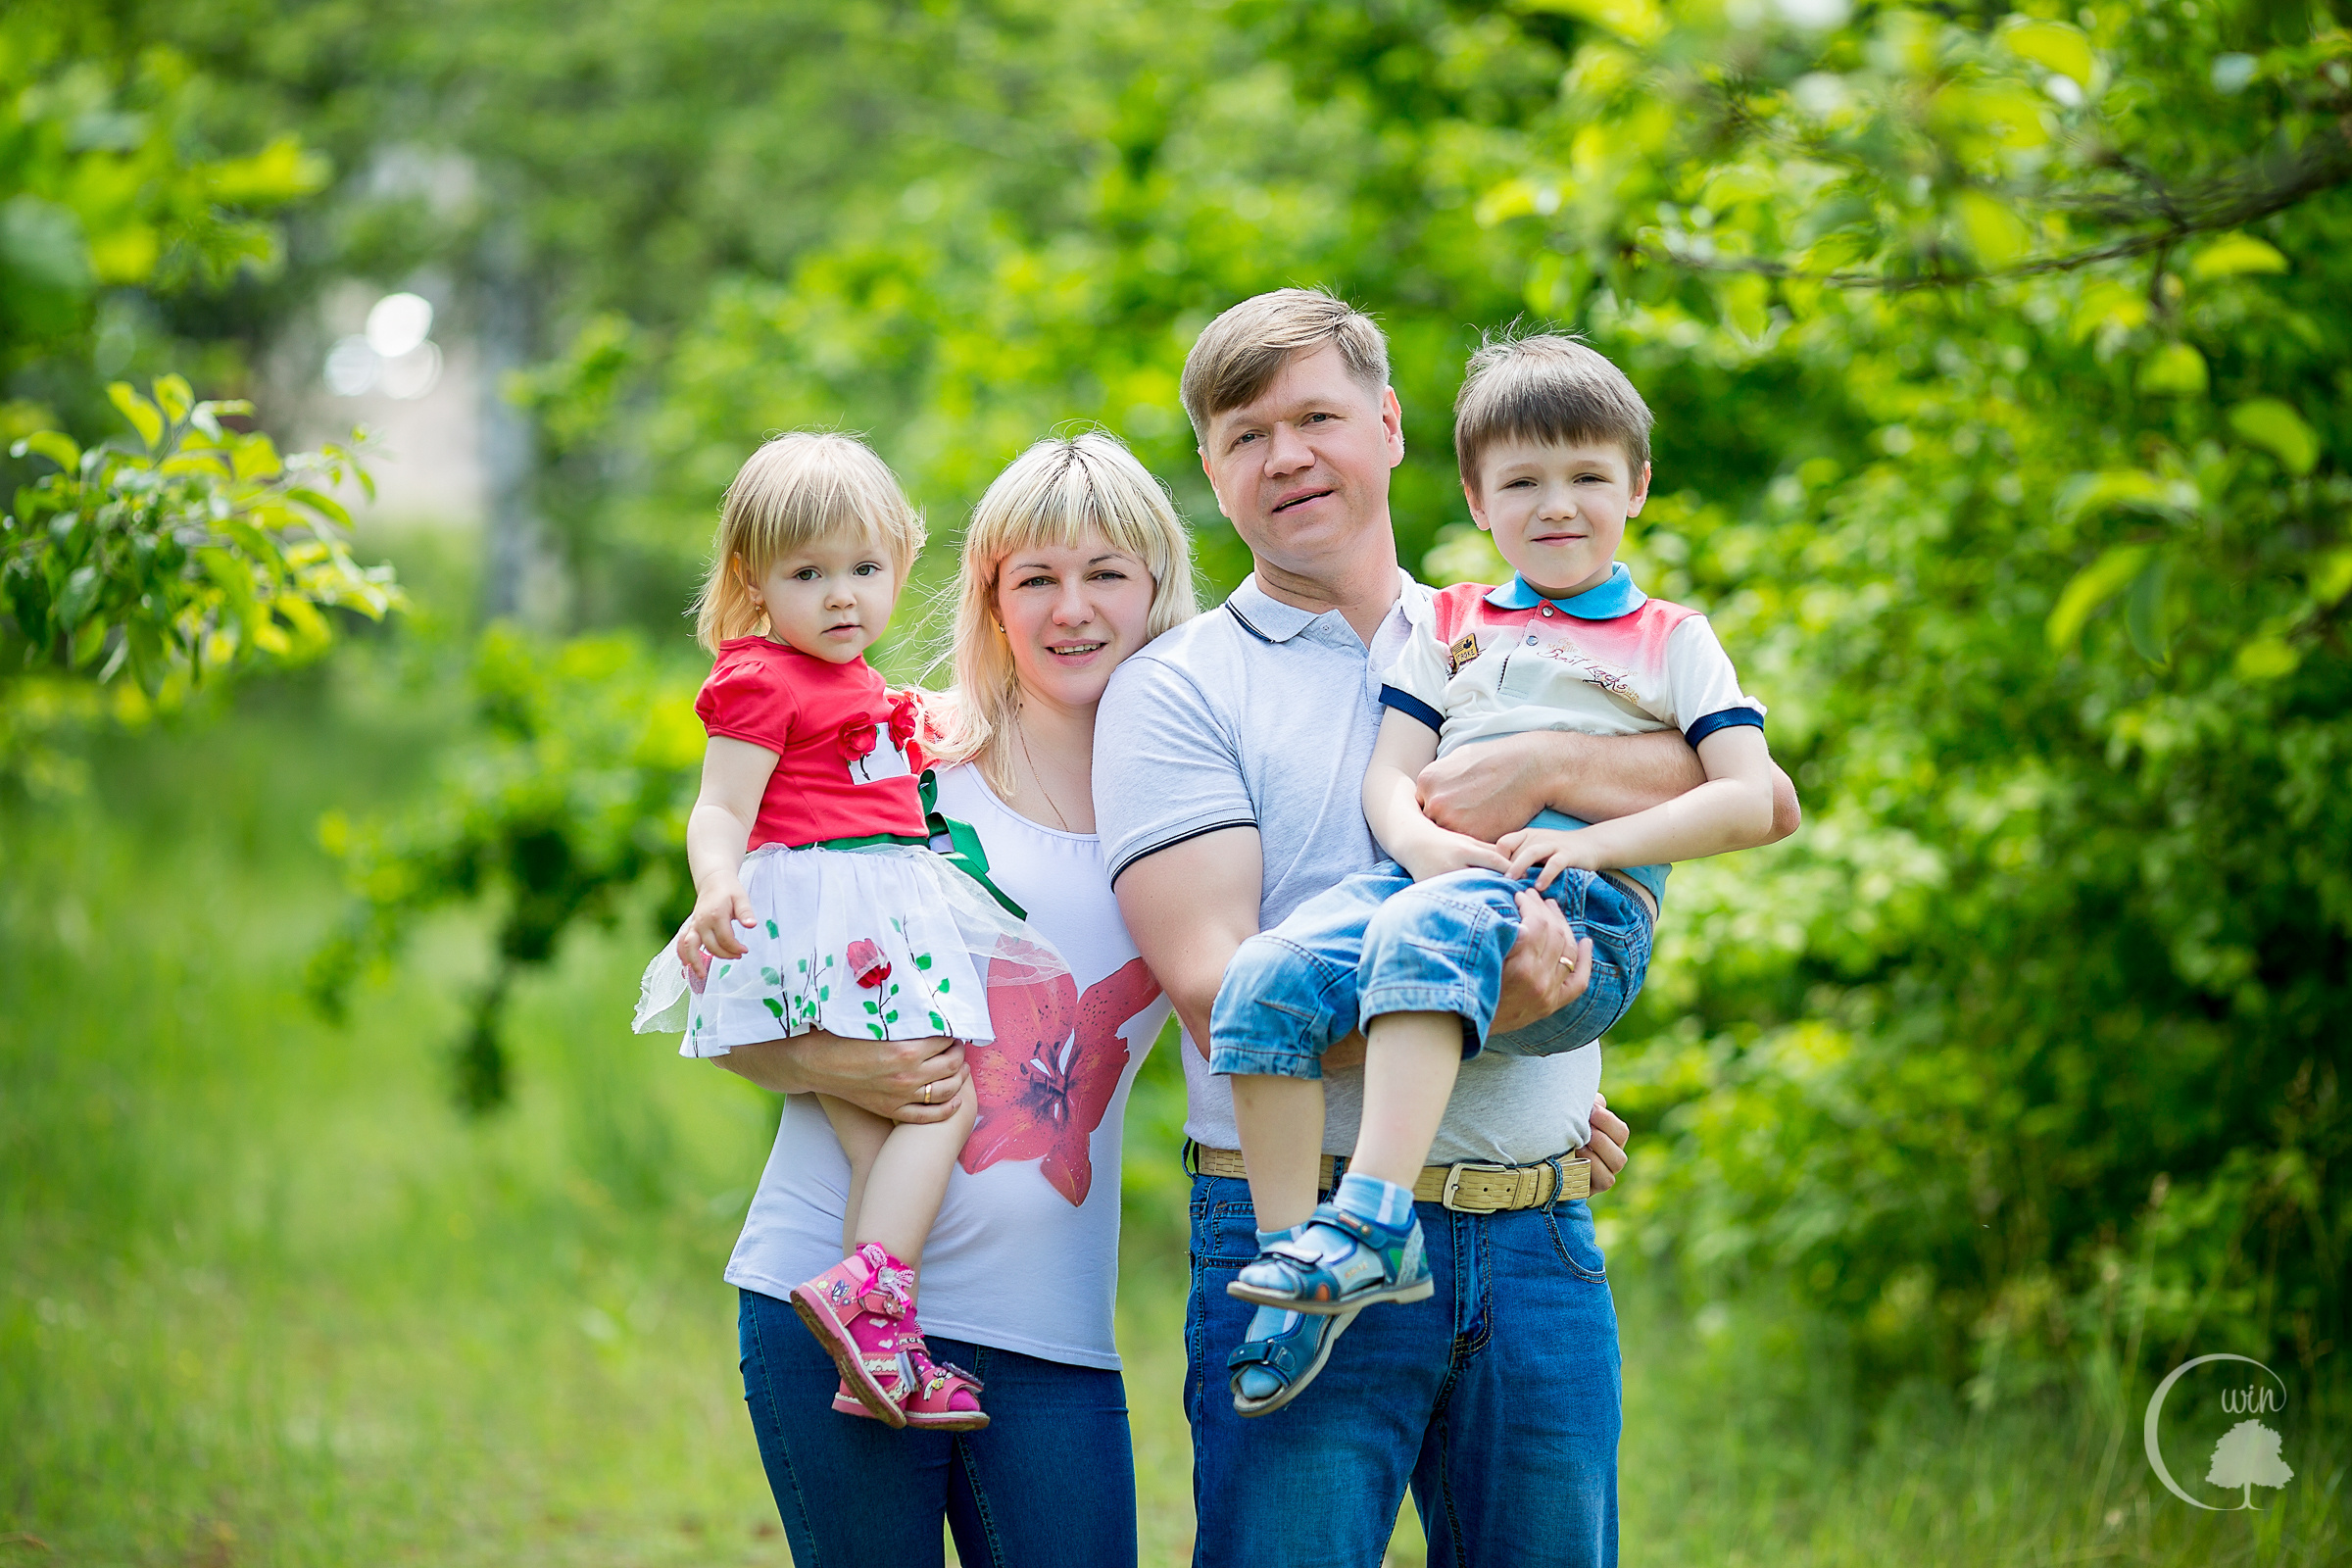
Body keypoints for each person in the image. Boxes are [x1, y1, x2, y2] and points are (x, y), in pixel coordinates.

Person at [1097, 289, 1799, 1567]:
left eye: (1318, 415)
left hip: (1536, 1233)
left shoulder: (1508, 629)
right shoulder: (1178, 689)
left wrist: (1540, 764)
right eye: (1247, 434)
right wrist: (1499, 1019)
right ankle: (1336, 1258)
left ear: (1393, 425)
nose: (1289, 454)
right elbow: (1216, 997)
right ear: (1209, 466)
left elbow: (1749, 790)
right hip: (1293, 1226)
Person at [1208, 331, 1783, 1408]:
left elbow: (1755, 797)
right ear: (1476, 496)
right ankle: (1297, 1277)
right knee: (1262, 980)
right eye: (1522, 481)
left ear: (1637, 486)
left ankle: (1372, 1218)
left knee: (1432, 928)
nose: (1556, 505)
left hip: (1582, 913)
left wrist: (1591, 840)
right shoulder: (1451, 622)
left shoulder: (1673, 639)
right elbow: (1393, 778)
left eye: (1586, 478)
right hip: (1438, 883)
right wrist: (1424, 846)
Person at [684, 431, 1197, 1564]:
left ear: (1158, 585)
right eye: (1036, 579)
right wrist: (826, 1063)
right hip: (827, 1305)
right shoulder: (895, 753)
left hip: (1053, 1327)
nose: (1073, 610)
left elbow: (1276, 995)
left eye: (1107, 572)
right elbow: (732, 1002)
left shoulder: (1199, 799)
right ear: (989, 594)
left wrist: (1502, 1085)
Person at [632, 431, 1068, 1432]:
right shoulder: (760, 679)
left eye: (865, 569)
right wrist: (713, 886)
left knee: (888, 1130)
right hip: (831, 916)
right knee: (940, 1099)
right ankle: (867, 1294)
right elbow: (719, 808)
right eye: (809, 573)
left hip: (869, 906)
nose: (842, 596)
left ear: (902, 562)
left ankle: (879, 1338)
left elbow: (900, 744)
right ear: (752, 580)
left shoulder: (863, 685)